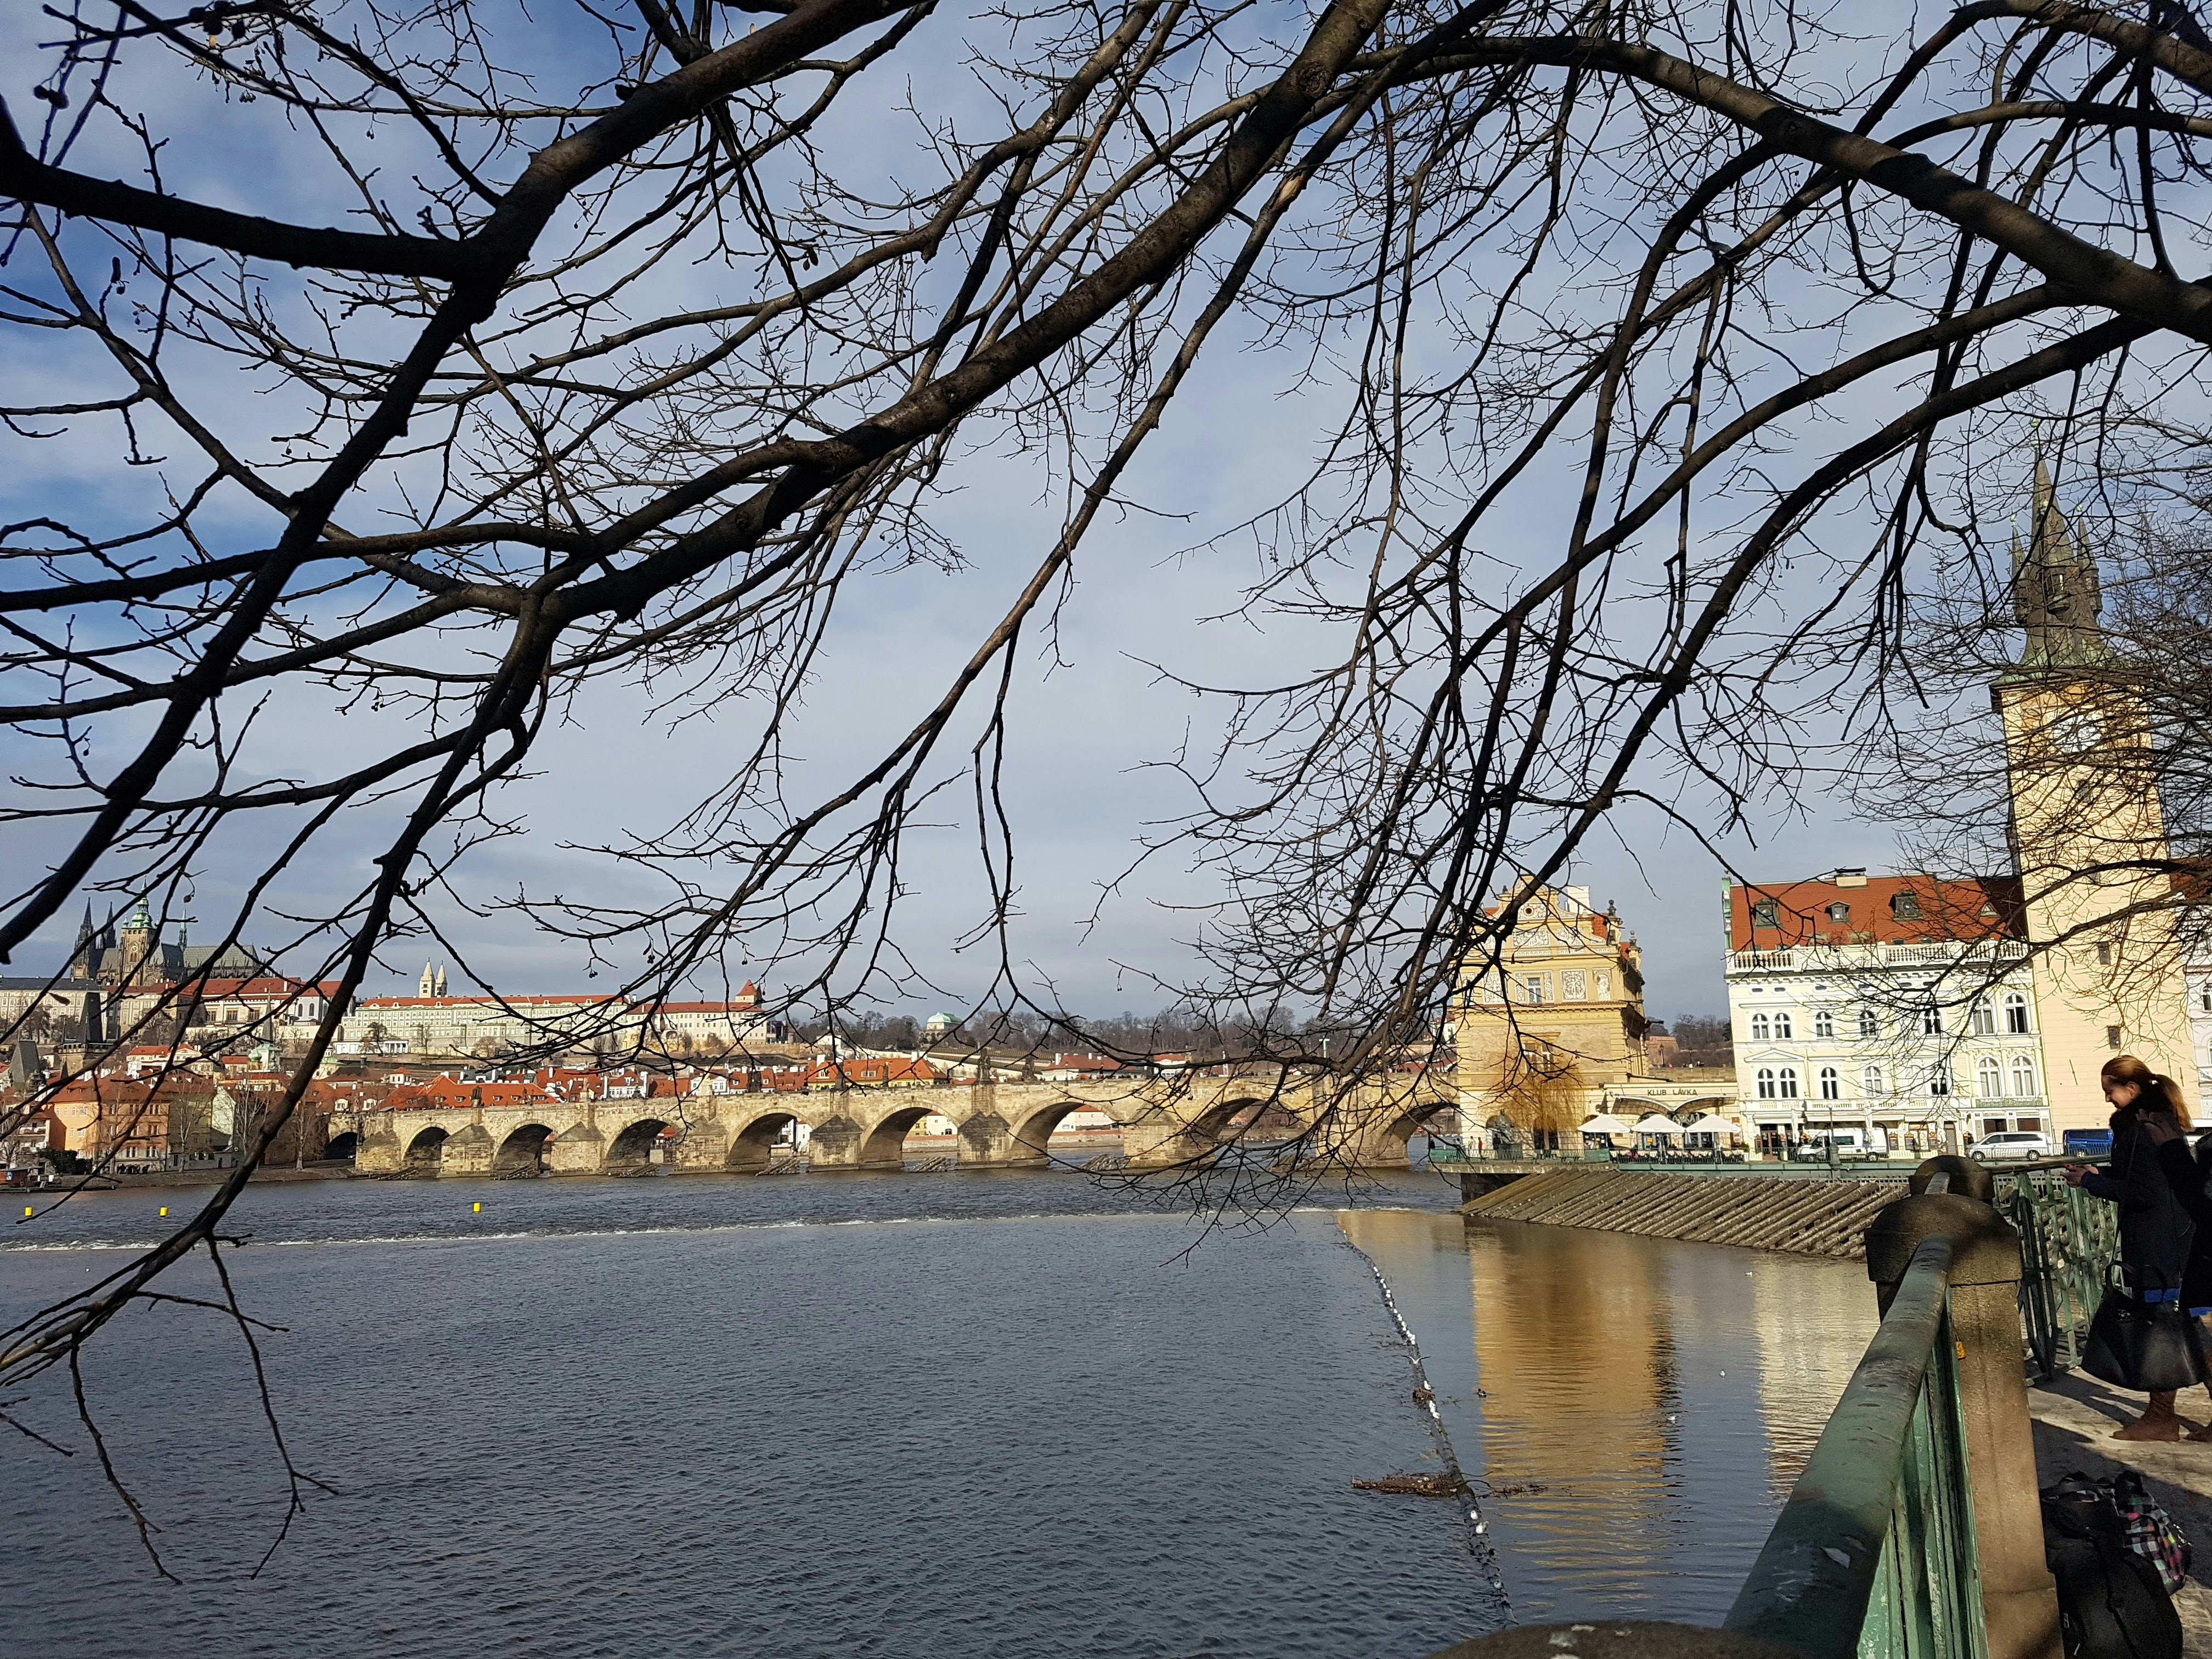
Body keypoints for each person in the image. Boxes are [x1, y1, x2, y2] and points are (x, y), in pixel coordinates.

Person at [2067, 1054, 2201, 1441]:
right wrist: (2099, 1174)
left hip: (2159, 1243)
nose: (2108, 1099)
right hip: (2176, 1239)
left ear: (2133, 1088)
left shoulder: (2142, 1130)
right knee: (2187, 1328)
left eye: (2111, 1090)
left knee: (2164, 1327)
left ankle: (2162, 1418)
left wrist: (2092, 1184)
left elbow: (2145, 1191)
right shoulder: (2158, 1123)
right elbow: (2142, 1178)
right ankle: (2163, 1416)